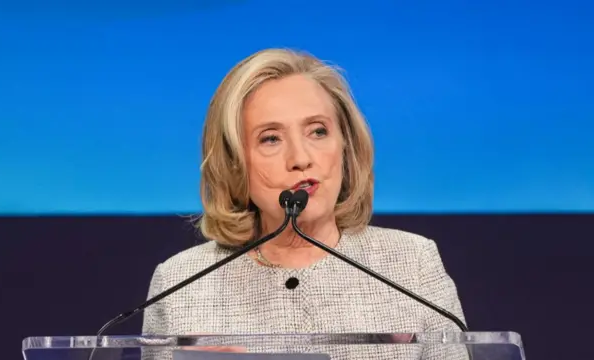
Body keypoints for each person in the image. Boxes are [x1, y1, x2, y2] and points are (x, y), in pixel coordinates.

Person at [142, 48, 467, 360]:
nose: (300, 158)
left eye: (318, 131)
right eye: (270, 138)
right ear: (234, 162)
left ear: (345, 145)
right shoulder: (179, 282)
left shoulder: (412, 264)